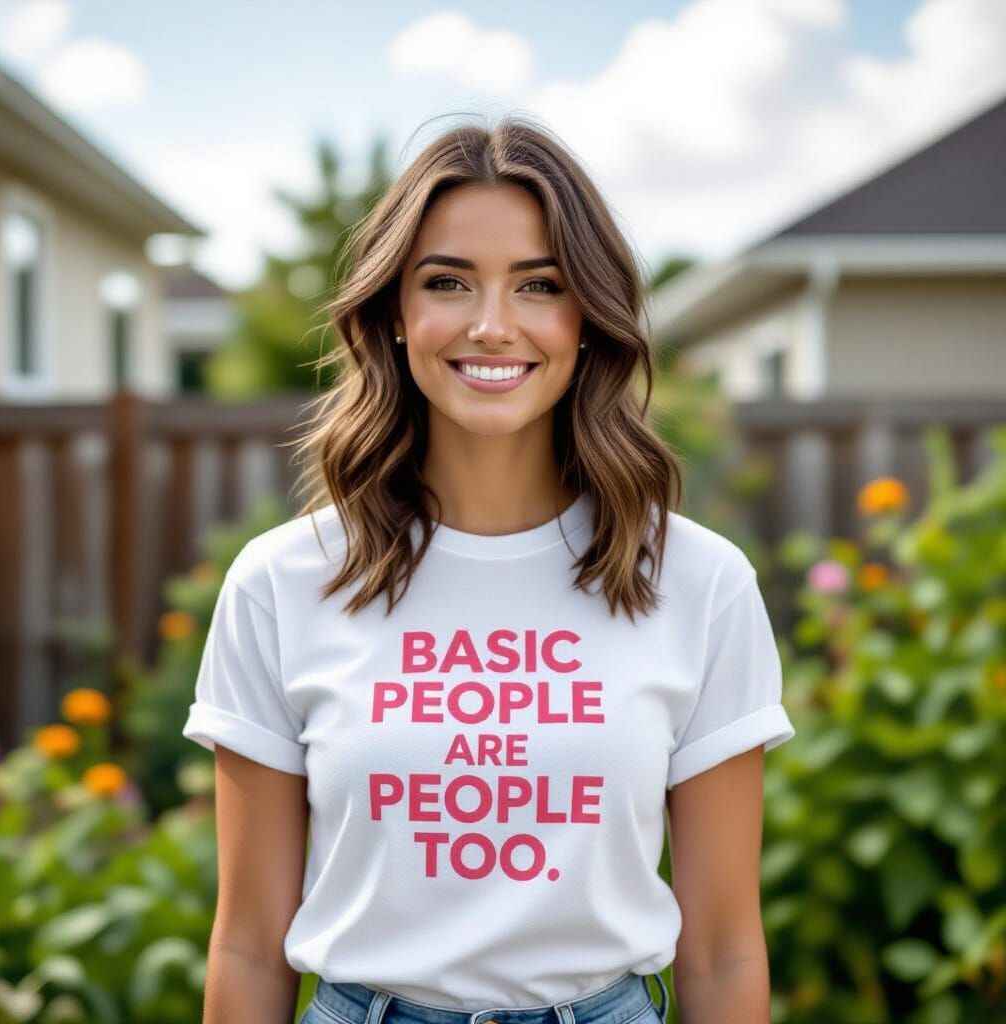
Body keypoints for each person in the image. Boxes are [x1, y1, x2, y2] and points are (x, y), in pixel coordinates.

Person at [182, 114, 796, 1024]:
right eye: (448, 282)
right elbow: (245, 942)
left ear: (587, 317)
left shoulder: (697, 583)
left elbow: (723, 950)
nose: (493, 325)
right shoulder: (283, 581)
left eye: (539, 285)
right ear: (396, 313)